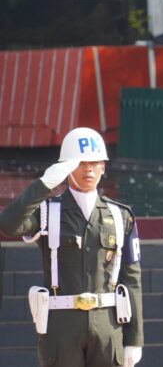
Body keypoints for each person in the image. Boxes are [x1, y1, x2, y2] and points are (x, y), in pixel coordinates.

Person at [0, 127, 143, 367]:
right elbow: (8, 225)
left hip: (108, 325)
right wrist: (43, 185)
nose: (88, 168)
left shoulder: (120, 216)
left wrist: (135, 339)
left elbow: (131, 280)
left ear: (103, 167)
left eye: (95, 162)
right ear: (66, 167)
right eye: (80, 162)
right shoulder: (47, 212)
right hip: (61, 328)